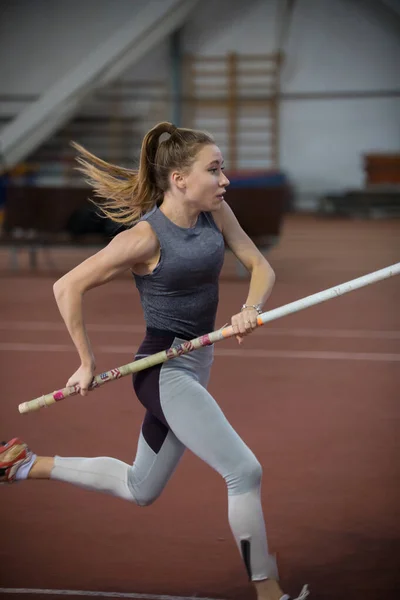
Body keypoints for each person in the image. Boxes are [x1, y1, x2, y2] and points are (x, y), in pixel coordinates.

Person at [1, 122, 309, 600]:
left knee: (139, 487)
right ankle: (268, 591)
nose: (225, 180)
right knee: (244, 472)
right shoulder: (144, 237)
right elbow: (67, 286)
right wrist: (86, 362)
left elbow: (259, 265)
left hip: (196, 361)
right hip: (164, 370)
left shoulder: (216, 213)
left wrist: (251, 309)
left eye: (222, 168)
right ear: (179, 179)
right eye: (214, 169)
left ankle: (23, 465)